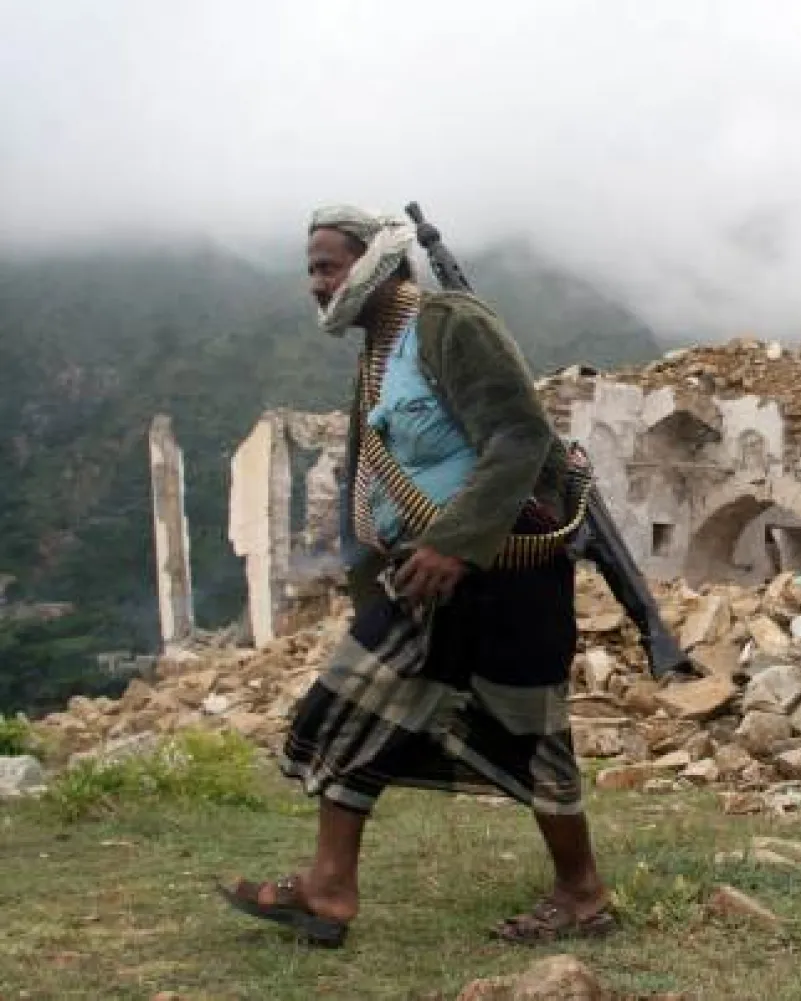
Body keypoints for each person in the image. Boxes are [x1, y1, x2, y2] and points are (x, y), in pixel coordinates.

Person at [218, 205, 614, 948]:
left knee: (532, 736)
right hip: (425, 583)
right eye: (310, 268)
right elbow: (372, 480)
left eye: (328, 264)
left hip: (506, 573)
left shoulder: (450, 323)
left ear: (376, 261)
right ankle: (329, 890)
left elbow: (520, 435)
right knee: (345, 707)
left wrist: (459, 543)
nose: (316, 283)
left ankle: (583, 892)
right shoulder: (376, 356)